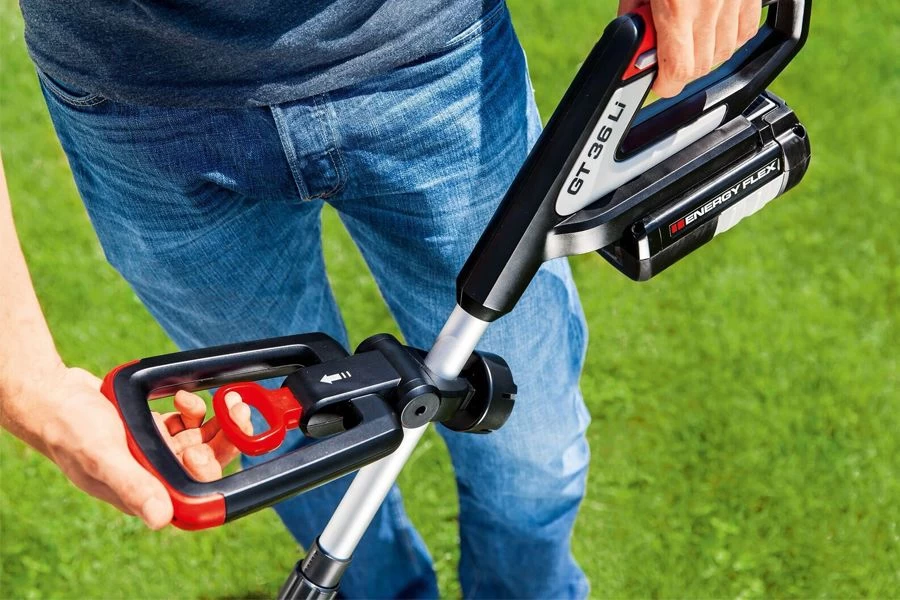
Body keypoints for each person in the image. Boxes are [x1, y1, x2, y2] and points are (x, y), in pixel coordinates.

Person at [1, 0, 762, 597]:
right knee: (300, 458)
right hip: (131, 101)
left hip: (432, 58)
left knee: (530, 450)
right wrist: (24, 379)